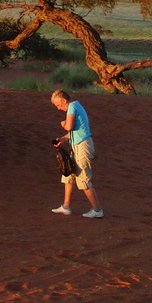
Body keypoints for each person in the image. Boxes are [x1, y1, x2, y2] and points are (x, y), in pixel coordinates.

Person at [51, 89, 102, 217]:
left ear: (64, 100)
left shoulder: (72, 107)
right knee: (68, 174)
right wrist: (63, 139)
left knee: (83, 179)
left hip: (83, 147)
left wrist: (63, 124)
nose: (58, 108)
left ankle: (97, 210)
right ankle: (66, 206)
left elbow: (69, 126)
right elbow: (76, 130)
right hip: (77, 145)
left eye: (58, 105)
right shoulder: (76, 106)